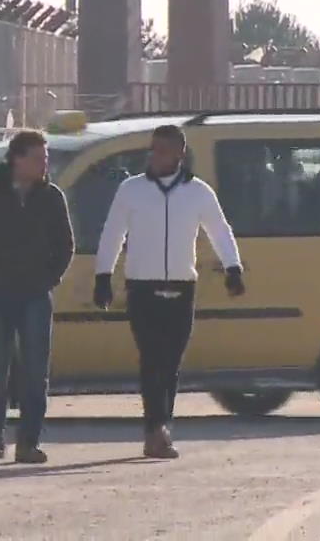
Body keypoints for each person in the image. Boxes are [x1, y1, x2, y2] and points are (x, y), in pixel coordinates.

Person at [95, 125, 245, 459]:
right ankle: (155, 430)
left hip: (182, 285)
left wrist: (233, 267)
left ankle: (163, 426)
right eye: (153, 149)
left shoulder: (198, 192)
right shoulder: (131, 190)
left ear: (179, 153)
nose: (155, 155)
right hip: (142, 286)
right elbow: (112, 233)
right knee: (151, 359)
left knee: (171, 362)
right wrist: (103, 275)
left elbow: (220, 230)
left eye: (162, 150)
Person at [0, 130, 74, 463]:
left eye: (46, 158)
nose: (44, 164)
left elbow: (66, 245)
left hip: (36, 296)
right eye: (38, 158)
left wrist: (49, 278)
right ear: (17, 159)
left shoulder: (51, 197)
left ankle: (28, 443)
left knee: (36, 372)